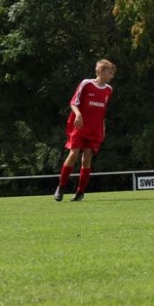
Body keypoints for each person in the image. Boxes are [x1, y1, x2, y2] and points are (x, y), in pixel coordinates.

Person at [54, 59, 116, 202]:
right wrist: (78, 114)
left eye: (112, 73)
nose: (112, 76)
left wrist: (103, 127)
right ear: (100, 71)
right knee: (73, 153)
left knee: (87, 158)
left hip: (95, 129)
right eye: (110, 72)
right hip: (80, 126)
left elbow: (102, 112)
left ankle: (80, 191)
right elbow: (73, 102)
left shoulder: (109, 90)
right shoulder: (86, 84)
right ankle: (61, 187)